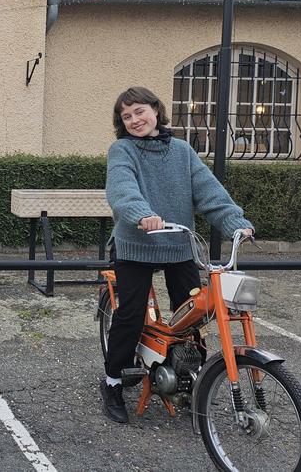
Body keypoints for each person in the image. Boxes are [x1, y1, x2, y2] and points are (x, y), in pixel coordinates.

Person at [102, 86, 254, 424]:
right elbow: (121, 188)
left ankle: (191, 378)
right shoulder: (122, 150)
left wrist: (237, 224)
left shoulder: (182, 151)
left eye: (139, 111)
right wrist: (142, 214)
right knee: (130, 314)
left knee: (194, 315)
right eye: (126, 116)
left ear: (156, 110)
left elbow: (209, 191)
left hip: (178, 244)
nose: (134, 120)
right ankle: (113, 382)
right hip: (136, 243)